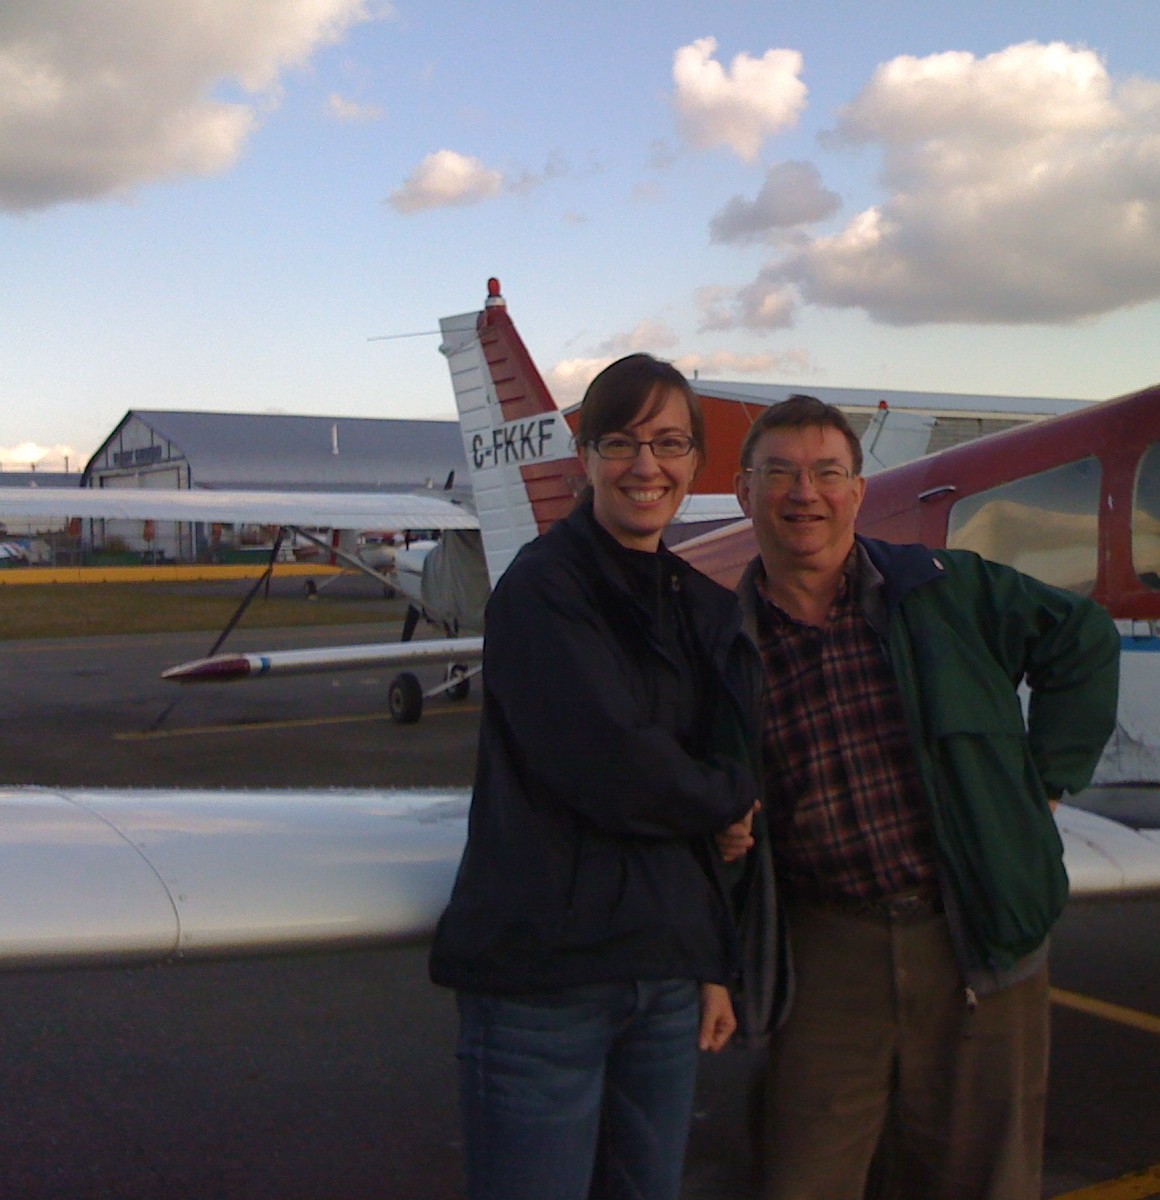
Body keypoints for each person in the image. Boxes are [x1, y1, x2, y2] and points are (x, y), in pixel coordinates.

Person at [720, 395, 1120, 1200]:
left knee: (983, 1177)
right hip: (824, 946)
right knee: (800, 1176)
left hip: (970, 928)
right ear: (744, 493)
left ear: (858, 493)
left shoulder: (943, 589)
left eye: (829, 473)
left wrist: (1040, 785)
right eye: (781, 474)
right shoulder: (722, 641)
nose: (807, 493)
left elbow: (1083, 639)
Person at [429, 354, 761, 1200]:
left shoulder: (703, 604)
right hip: (548, 981)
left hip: (664, 977)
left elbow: (741, 743)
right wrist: (725, 800)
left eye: (669, 443)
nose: (645, 466)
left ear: (694, 462)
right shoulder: (541, 591)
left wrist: (711, 961)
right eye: (621, 442)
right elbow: (616, 767)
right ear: (585, 457)